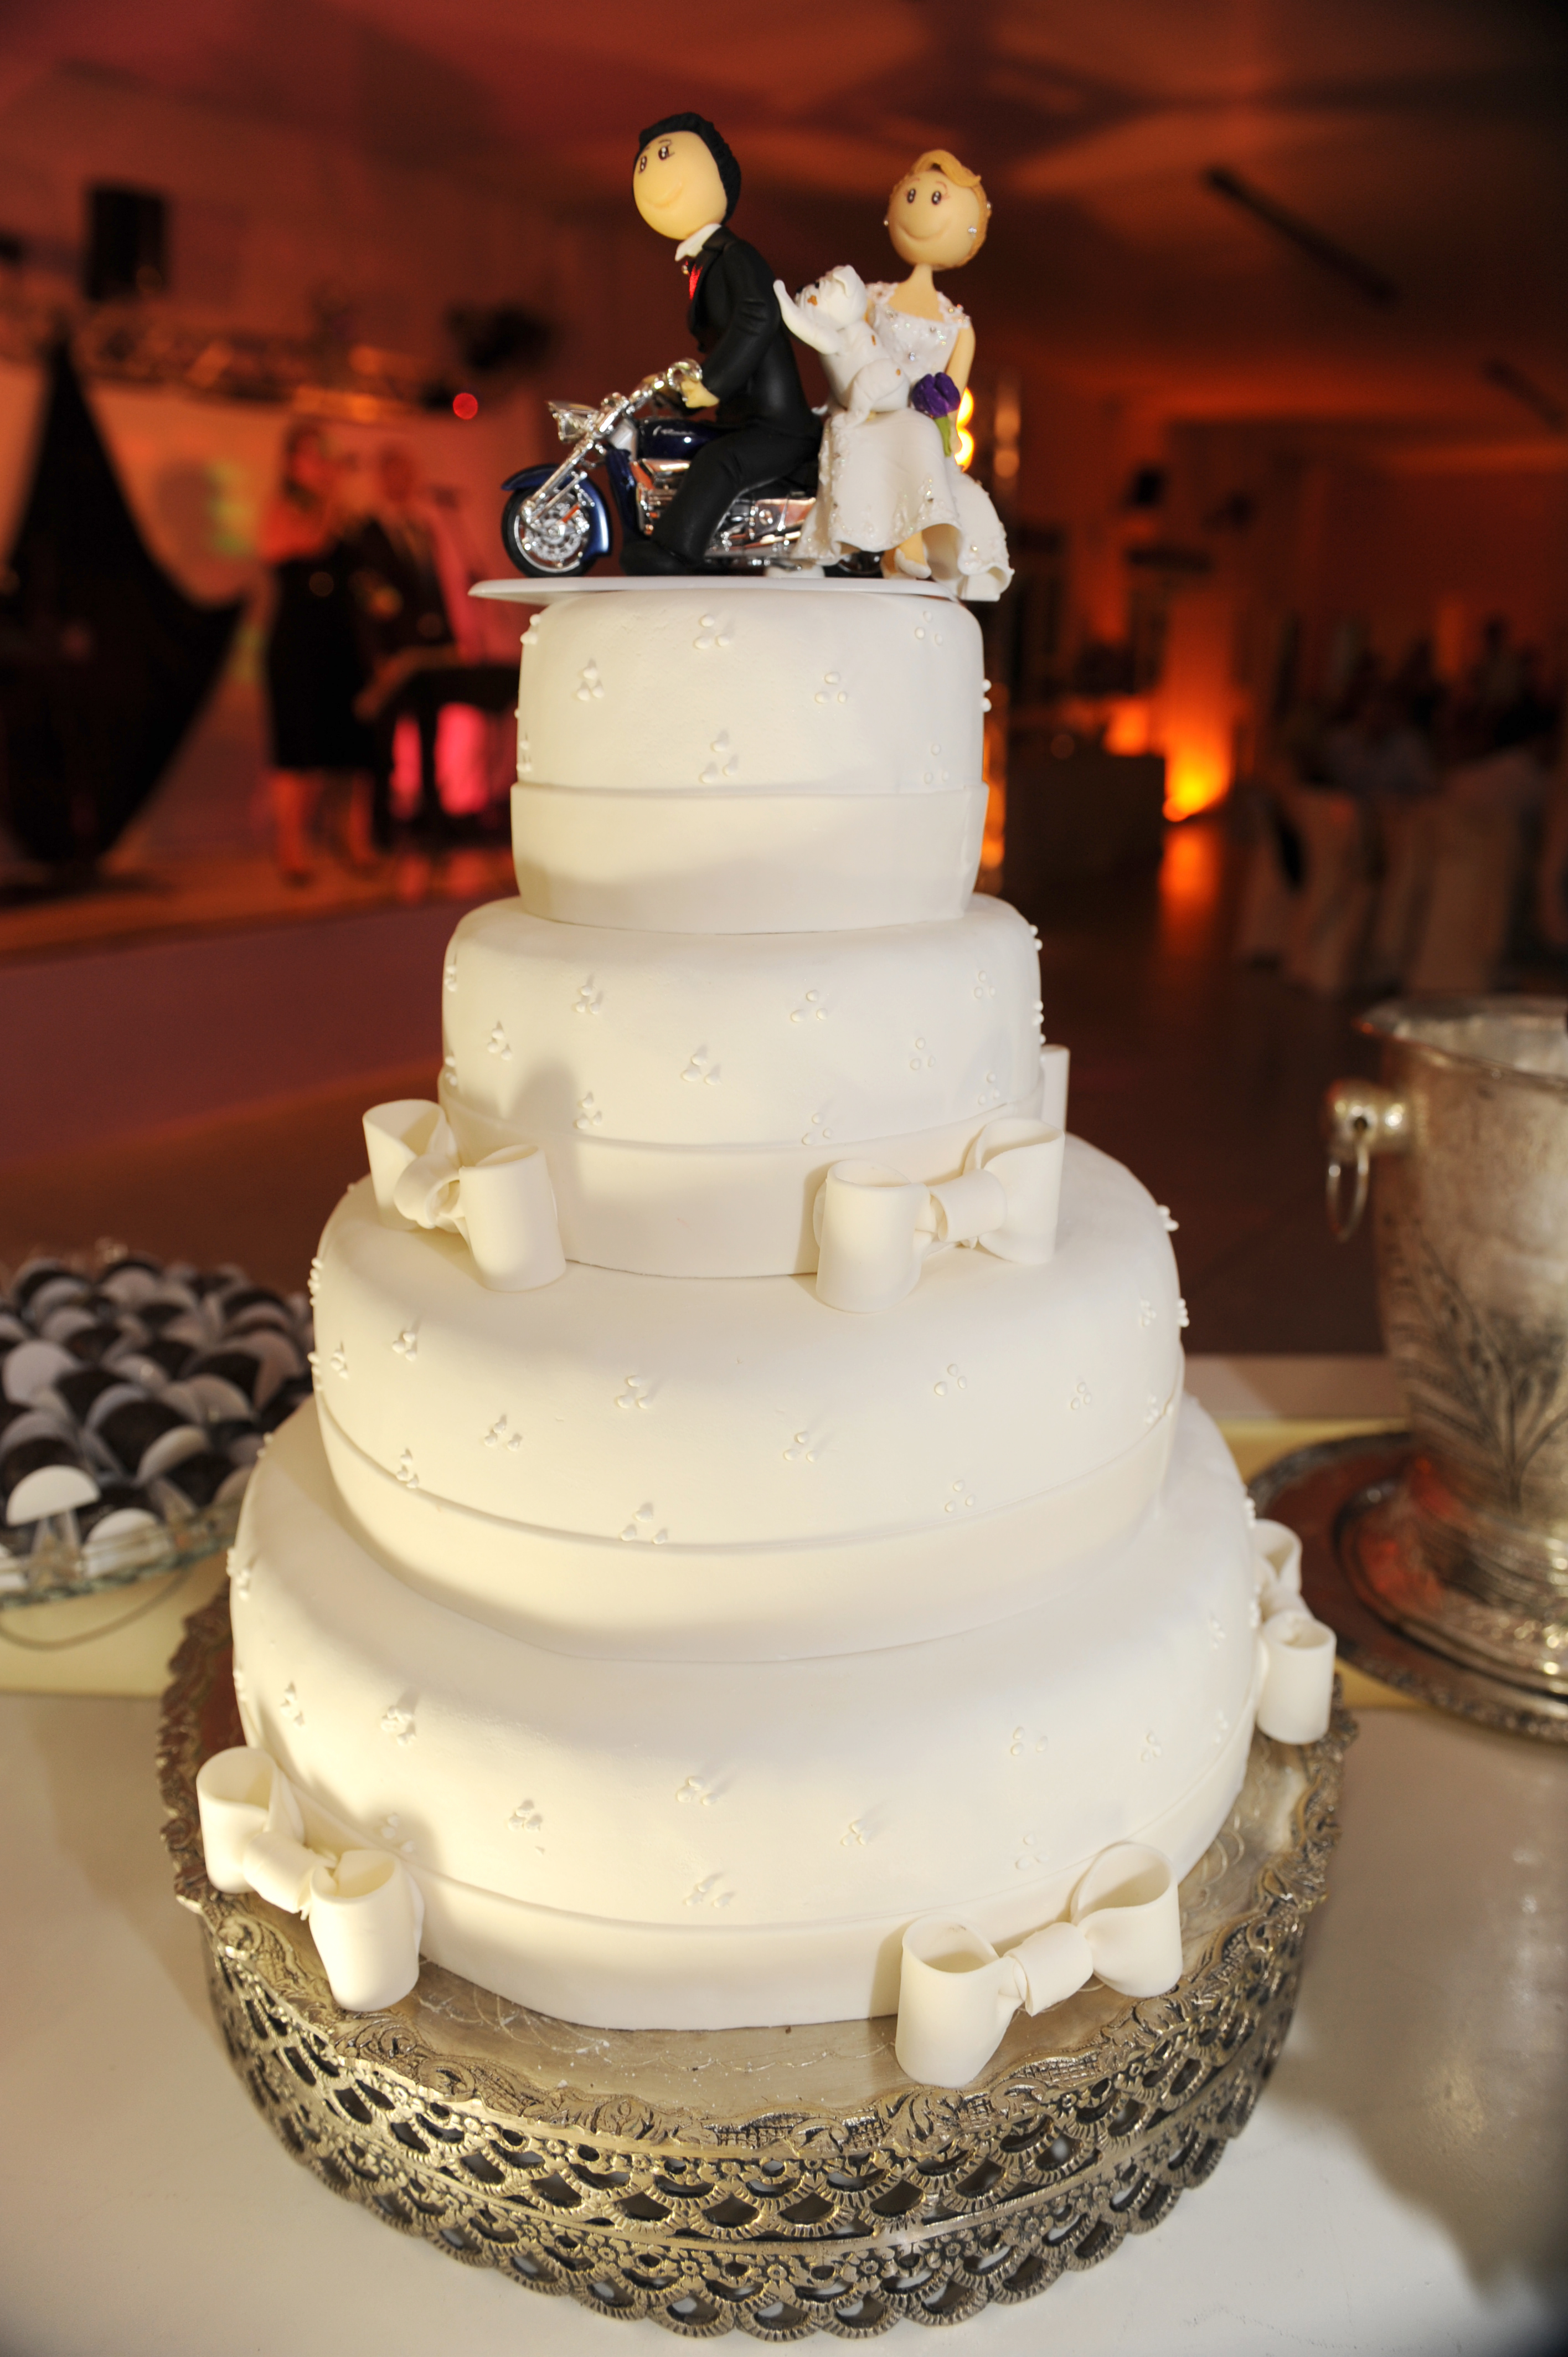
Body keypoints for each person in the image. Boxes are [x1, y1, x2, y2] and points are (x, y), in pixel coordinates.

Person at [791, 151, 1010, 601]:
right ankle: (901, 548)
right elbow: (847, 349)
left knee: (927, 443)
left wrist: (947, 429)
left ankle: (904, 551)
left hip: (920, 426)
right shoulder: (872, 299)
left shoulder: (958, 326)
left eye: (936, 199)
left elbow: (951, 394)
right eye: (912, 196)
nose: (919, 209)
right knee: (912, 436)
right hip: (870, 412)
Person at [623, 113, 819, 575]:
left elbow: (758, 316)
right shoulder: (701, 264)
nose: (653, 173)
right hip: (742, 418)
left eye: (666, 155)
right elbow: (722, 341)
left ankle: (676, 553)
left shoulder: (735, 256)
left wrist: (711, 383)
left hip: (777, 425)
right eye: (645, 163)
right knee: (686, 447)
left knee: (719, 464)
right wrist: (675, 394)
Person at [259, 423, 375, 881]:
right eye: (311, 456)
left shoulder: (342, 512)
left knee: (353, 750)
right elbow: (301, 545)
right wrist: (330, 496)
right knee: (299, 751)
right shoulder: (282, 508)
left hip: (341, 642)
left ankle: (355, 840)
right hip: (297, 644)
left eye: (324, 455)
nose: (322, 465)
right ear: (291, 464)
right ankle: (292, 848)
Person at [351, 444, 459, 847]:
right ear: (381, 479)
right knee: (385, 742)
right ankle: (382, 825)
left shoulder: (421, 528)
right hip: (395, 654)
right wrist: (377, 653)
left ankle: (433, 819)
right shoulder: (367, 532)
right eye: (395, 472)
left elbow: (434, 589)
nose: (404, 481)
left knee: (432, 735)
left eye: (408, 472)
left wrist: (448, 638)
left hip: (429, 652)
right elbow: (368, 597)